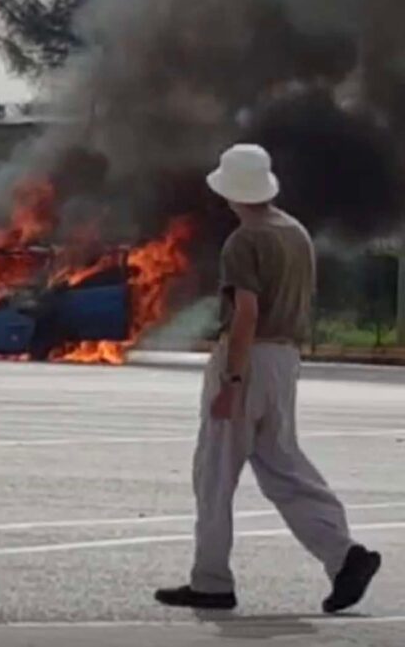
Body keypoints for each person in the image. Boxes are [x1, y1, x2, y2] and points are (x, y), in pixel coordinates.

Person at [155, 144, 381, 614]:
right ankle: (345, 556)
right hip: (285, 360)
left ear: (231, 190)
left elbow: (246, 314)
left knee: (215, 474)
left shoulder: (245, 240)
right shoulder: (295, 232)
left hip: (249, 358)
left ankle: (212, 581)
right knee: (284, 466)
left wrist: (231, 385)